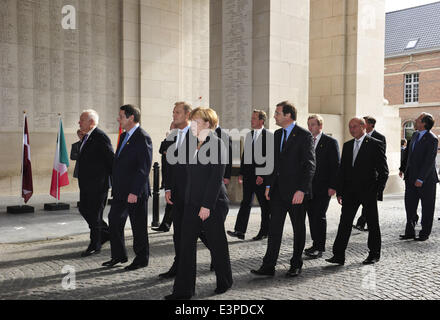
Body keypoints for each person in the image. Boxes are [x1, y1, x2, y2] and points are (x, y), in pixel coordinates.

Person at [165, 107, 232, 300]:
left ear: (208, 124)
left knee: (217, 245)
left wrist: (206, 206)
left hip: (212, 204)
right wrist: (172, 190)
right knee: (185, 247)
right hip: (190, 203)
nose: (192, 125)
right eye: (192, 121)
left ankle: (225, 281)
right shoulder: (189, 142)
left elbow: (215, 178)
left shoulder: (218, 144)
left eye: (196, 122)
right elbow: (180, 171)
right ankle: (183, 292)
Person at [250, 101, 315, 277]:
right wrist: (269, 185)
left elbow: (309, 165)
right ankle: (268, 266)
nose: (275, 116)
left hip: (296, 193)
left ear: (288, 115)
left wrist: (302, 190)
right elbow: (273, 163)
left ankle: (296, 263)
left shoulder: (304, 135)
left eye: (278, 113)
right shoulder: (277, 134)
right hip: (277, 191)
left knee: (298, 229)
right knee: (274, 229)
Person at [326, 117, 388, 266]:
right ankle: (338, 255)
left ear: (363, 127)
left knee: (373, 224)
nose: (351, 129)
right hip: (349, 193)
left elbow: (383, 171)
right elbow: (343, 171)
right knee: (344, 223)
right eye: (350, 127)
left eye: (354, 126)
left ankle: (374, 254)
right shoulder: (347, 145)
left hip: (368, 192)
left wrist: (376, 191)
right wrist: (340, 191)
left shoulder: (375, 144)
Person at [102, 105, 152, 271]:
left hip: (134, 192)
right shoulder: (124, 136)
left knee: (138, 226)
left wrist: (135, 191)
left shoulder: (142, 137)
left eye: (121, 116)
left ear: (131, 118)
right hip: (120, 191)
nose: (118, 119)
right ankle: (118, 255)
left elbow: (144, 167)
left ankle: (141, 258)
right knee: (114, 220)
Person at [159, 102, 193, 278]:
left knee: (201, 232)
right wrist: (168, 187)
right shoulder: (174, 136)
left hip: (193, 194)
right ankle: (178, 265)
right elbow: (170, 165)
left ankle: (218, 260)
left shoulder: (197, 135)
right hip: (177, 194)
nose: (174, 115)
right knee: (178, 233)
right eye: (173, 112)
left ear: (188, 115)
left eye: (178, 112)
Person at [227, 110, 272, 241]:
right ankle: (240, 231)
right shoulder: (250, 135)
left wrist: (262, 175)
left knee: (265, 206)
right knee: (245, 203)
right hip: (248, 177)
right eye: (251, 118)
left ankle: (264, 231)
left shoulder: (269, 136)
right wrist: (241, 173)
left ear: (261, 121)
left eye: (254, 118)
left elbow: (270, 158)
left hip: (260, 178)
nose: (251, 120)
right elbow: (245, 155)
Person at [76, 110, 114, 257]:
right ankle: (105, 232)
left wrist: (110, 182)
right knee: (85, 209)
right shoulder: (87, 137)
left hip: (98, 185)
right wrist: (81, 140)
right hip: (86, 184)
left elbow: (111, 160)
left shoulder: (100, 136)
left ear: (91, 122)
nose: (79, 123)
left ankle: (95, 244)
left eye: (82, 120)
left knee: (94, 213)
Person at [304, 114, 340, 259]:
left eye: (313, 124)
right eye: (308, 124)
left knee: (319, 216)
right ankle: (315, 243)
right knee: (311, 216)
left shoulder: (330, 142)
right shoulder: (306, 141)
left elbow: (336, 166)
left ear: (320, 126)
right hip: (308, 187)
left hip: (324, 187)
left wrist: (333, 186)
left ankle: (320, 247)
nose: (310, 127)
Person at [399, 113, 438, 241]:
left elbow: (429, 161)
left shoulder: (432, 139)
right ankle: (409, 231)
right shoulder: (415, 135)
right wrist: (403, 170)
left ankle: (424, 233)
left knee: (427, 207)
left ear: (424, 123)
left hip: (426, 180)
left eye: (418, 119)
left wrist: (420, 179)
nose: (415, 120)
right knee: (409, 206)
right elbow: (409, 156)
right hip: (410, 178)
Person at [353, 116, 387, 232]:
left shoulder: (380, 138)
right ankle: (361, 222)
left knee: (369, 207)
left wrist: (378, 186)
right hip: (358, 181)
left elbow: (381, 160)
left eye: (365, 123)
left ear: (371, 125)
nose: (362, 124)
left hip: (372, 179)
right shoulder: (357, 138)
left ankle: (362, 223)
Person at [152, 122, 177, 233]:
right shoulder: (169, 140)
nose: (170, 130)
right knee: (170, 202)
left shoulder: (178, 140)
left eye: (172, 128)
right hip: (168, 173)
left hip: (175, 175)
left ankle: (165, 225)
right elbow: (161, 149)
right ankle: (165, 224)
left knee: (172, 202)